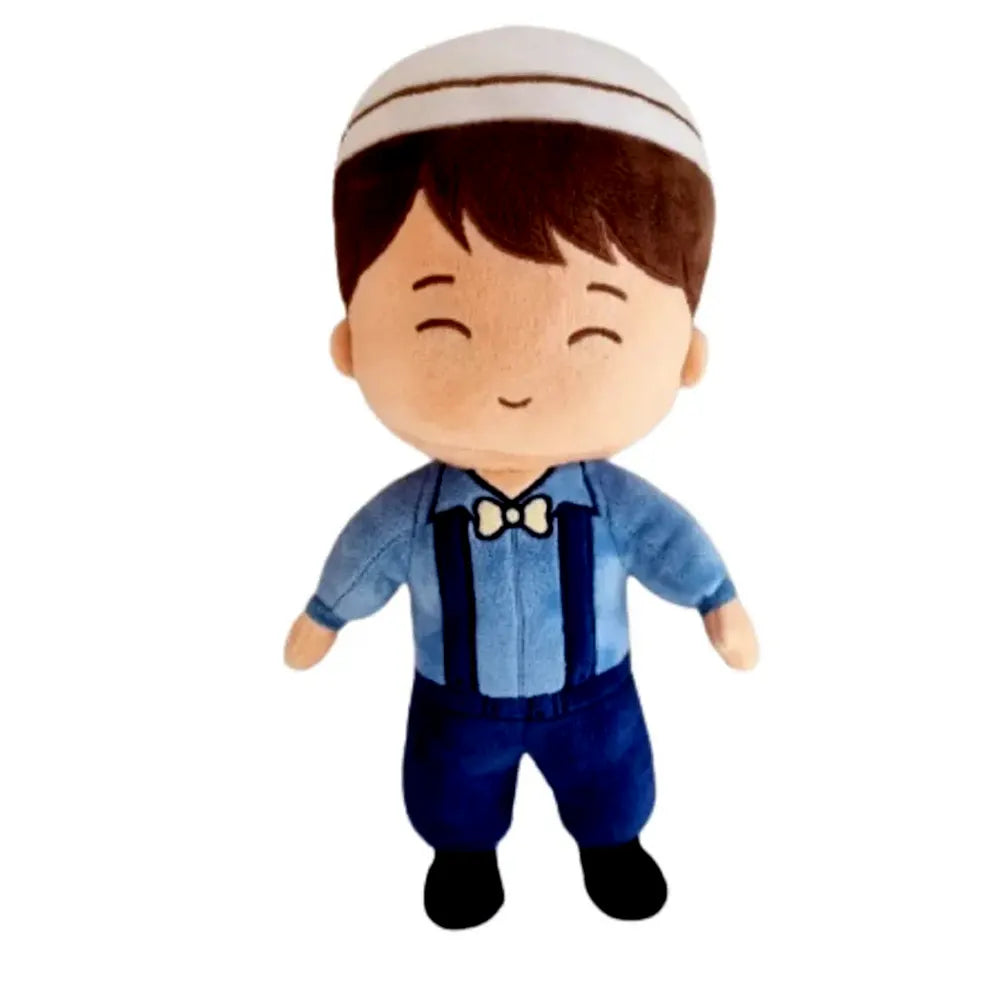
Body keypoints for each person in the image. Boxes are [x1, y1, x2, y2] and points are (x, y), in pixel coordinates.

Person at [284, 26, 758, 930]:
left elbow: (671, 541)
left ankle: (611, 845)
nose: (515, 382)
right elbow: (365, 555)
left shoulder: (609, 502)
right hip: (456, 702)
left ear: (684, 355)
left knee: (613, 782)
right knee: (449, 792)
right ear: (352, 344)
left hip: (596, 693)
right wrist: (325, 614)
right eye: (443, 327)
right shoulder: (416, 510)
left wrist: (716, 598)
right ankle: (465, 856)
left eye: (593, 334)